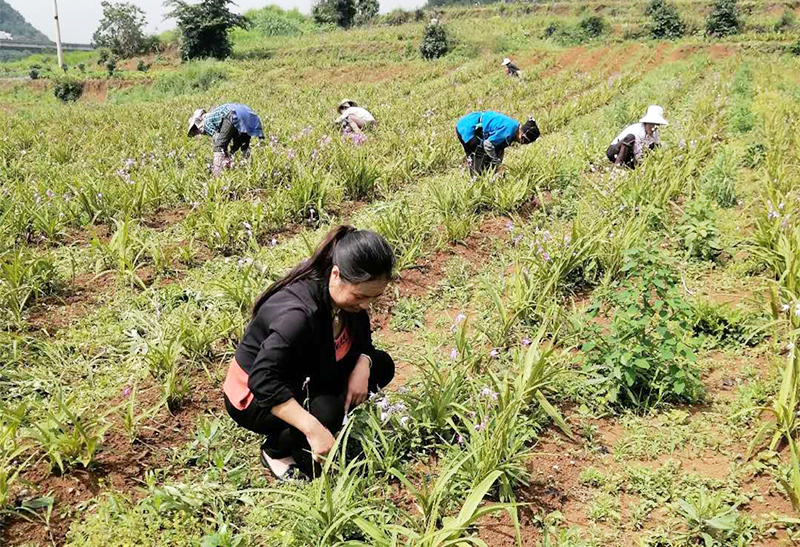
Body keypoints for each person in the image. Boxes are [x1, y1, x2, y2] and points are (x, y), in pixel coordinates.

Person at [223, 226, 396, 481]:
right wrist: (314, 428)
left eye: (374, 297)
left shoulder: (347, 305)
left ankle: (321, 416)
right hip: (253, 397)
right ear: (336, 275)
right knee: (328, 412)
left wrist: (365, 362)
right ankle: (276, 451)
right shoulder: (299, 316)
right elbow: (262, 380)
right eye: (360, 296)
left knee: (381, 365)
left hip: (304, 370)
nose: (366, 305)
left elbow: (363, 344)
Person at [187, 104, 264, 176]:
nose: (198, 133)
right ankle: (248, 168)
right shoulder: (214, 115)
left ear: (198, 124)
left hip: (231, 114)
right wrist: (230, 153)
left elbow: (219, 142)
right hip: (248, 114)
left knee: (218, 147)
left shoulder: (207, 122)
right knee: (242, 146)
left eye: (196, 131)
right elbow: (233, 136)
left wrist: (224, 157)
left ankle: (217, 174)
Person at [455, 111, 540, 176]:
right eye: (524, 142)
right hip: (469, 128)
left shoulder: (513, 127)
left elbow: (499, 148)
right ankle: (476, 182)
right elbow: (488, 145)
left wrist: (496, 162)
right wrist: (495, 161)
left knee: (482, 160)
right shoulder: (508, 131)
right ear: (522, 136)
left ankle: (480, 179)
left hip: (468, 124)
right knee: (480, 155)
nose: (522, 144)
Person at [606, 105, 668, 170]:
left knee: (655, 145)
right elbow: (637, 151)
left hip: (631, 155)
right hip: (615, 151)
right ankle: (617, 166)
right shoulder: (638, 130)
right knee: (630, 138)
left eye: (656, 125)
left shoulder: (655, 134)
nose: (653, 127)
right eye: (651, 124)